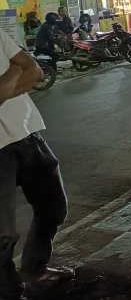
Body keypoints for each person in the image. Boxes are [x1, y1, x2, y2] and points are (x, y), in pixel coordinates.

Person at [0, 28, 73, 300]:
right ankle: (8, 292)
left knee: (53, 208)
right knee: (3, 234)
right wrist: (15, 70)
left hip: (28, 133)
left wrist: (9, 80)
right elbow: (24, 69)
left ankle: (35, 268)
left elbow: (36, 72)